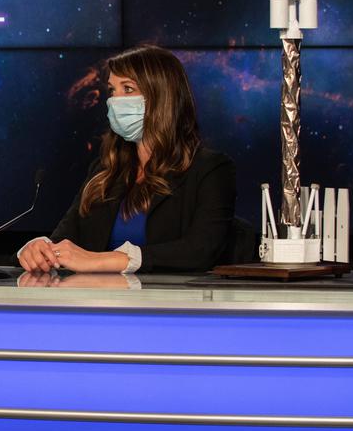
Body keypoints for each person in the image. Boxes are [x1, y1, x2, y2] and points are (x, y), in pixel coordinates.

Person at [18, 44, 235, 274]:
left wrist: (104, 261)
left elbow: (202, 250)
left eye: (128, 89)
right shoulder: (104, 171)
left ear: (162, 97)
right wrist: (38, 250)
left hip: (168, 306)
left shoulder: (210, 169)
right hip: (100, 305)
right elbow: (64, 241)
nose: (115, 101)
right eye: (112, 91)